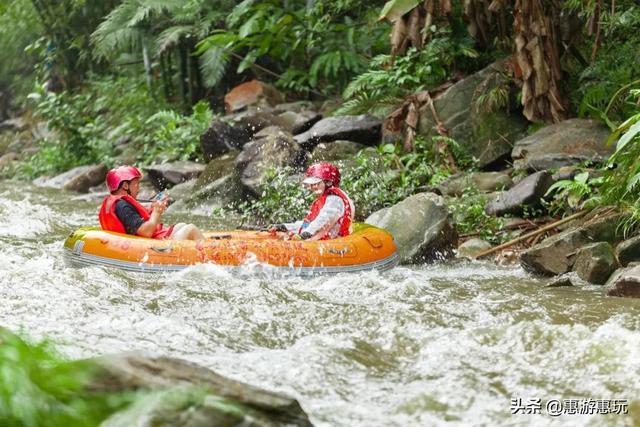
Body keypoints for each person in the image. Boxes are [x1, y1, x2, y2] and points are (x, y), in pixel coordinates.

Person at [99, 165, 204, 240]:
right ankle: (212, 259)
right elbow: (146, 232)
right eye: (136, 184)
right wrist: (156, 212)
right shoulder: (123, 206)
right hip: (146, 248)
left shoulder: (119, 204)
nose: (138, 188)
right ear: (125, 186)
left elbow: (136, 224)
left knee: (181, 225)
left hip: (139, 242)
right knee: (191, 229)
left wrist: (154, 210)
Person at [271, 162, 355, 240]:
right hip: (320, 240)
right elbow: (308, 224)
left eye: (316, 184)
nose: (312, 187)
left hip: (334, 244)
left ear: (328, 183)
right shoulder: (322, 200)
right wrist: (285, 227)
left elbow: (323, 219)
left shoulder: (334, 200)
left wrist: (308, 233)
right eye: (311, 184)